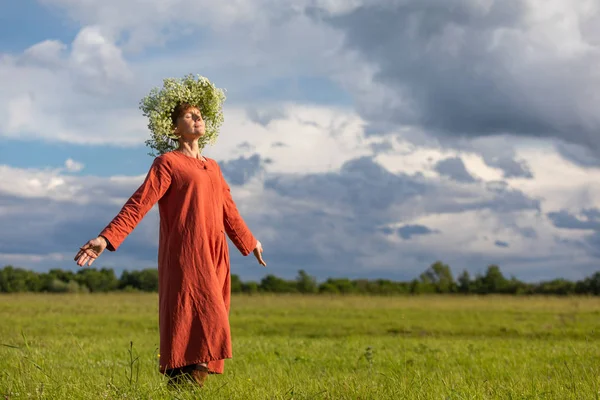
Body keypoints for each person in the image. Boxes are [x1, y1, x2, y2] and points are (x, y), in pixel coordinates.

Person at [73, 102, 266, 387]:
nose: (198, 118)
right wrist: (106, 237)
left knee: (205, 324)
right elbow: (140, 202)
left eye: (200, 114)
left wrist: (250, 241)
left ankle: (180, 389)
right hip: (187, 254)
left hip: (215, 255)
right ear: (174, 128)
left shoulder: (213, 167)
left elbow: (229, 209)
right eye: (189, 115)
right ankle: (185, 387)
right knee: (201, 321)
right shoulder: (168, 163)